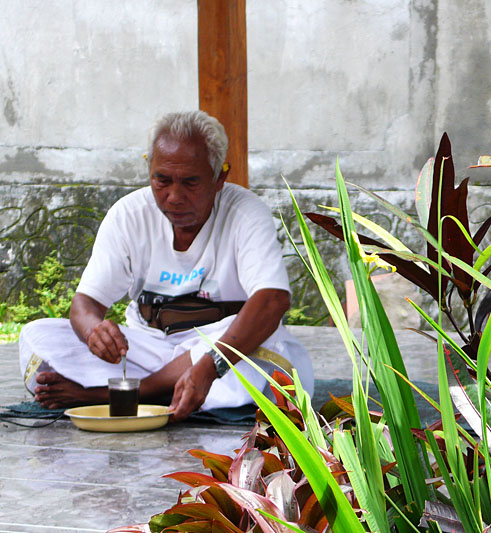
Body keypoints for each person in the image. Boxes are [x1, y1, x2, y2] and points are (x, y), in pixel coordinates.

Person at [18, 110, 313, 421]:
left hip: (219, 351)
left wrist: (208, 367)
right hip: (150, 348)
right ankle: (167, 390)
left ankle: (130, 393)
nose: (174, 196)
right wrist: (94, 331)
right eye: (162, 180)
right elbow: (85, 303)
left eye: (190, 182)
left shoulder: (246, 213)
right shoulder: (128, 215)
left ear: (219, 178)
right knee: (37, 336)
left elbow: (272, 300)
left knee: (260, 340)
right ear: (149, 171)